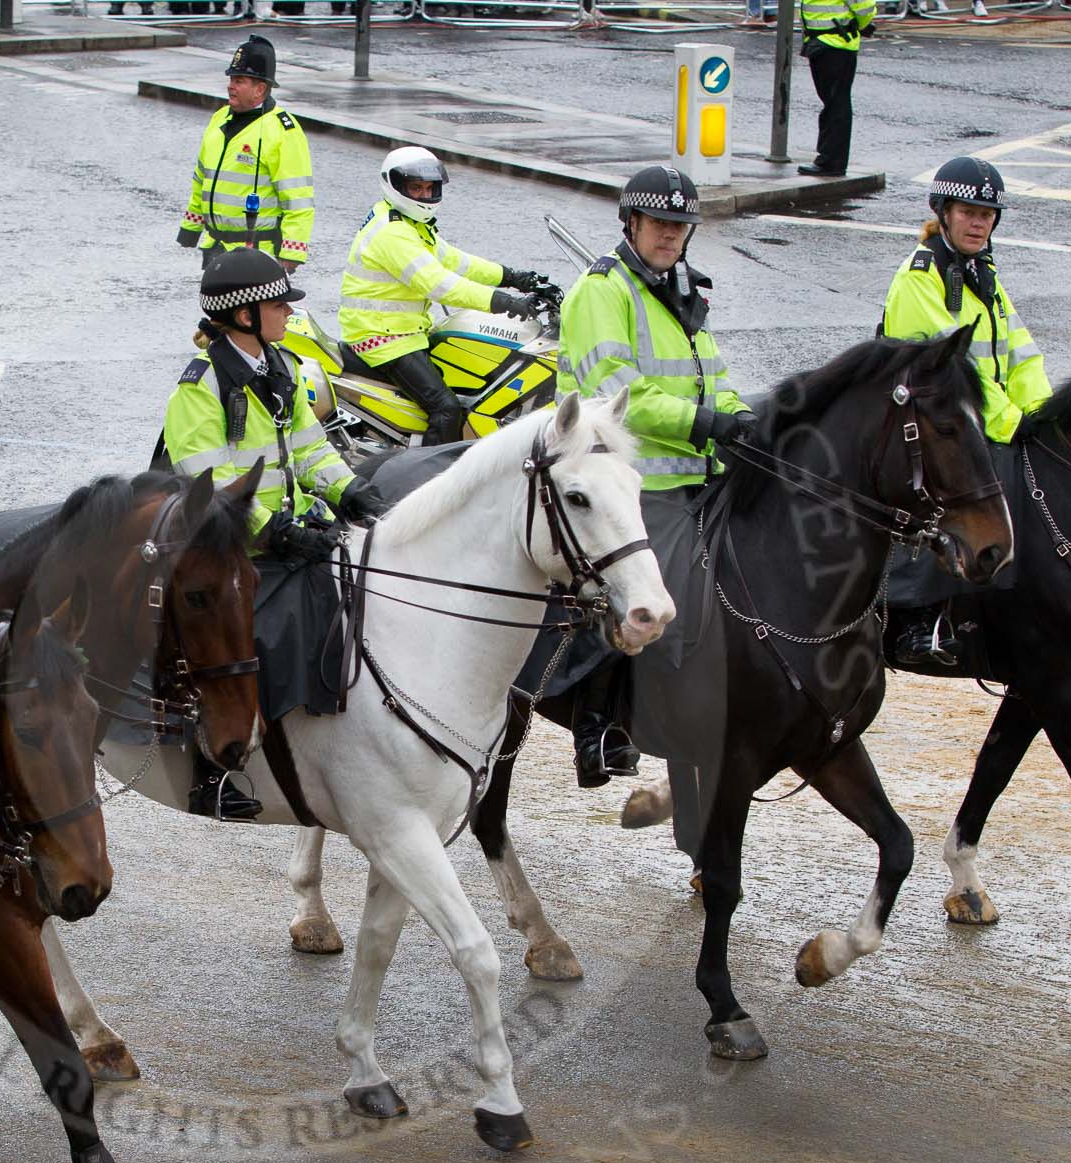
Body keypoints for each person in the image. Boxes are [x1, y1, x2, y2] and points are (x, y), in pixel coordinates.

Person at [555, 164, 753, 786]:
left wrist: (750, 421)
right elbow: (620, 399)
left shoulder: (682, 289)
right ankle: (599, 722)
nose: (671, 235)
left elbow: (712, 377)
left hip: (694, 472)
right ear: (632, 222)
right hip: (624, 475)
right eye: (660, 223)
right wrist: (706, 423)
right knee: (644, 592)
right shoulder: (600, 291)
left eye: (681, 226)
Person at [162, 248, 377, 818]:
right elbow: (209, 478)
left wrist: (347, 489)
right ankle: (208, 769)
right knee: (242, 634)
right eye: (277, 303)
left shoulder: (278, 365)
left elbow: (308, 448)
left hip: (285, 528)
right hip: (225, 541)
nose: (287, 311)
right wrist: (272, 529)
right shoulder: (199, 387)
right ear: (242, 315)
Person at [881, 155, 1049, 665]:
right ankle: (910, 616)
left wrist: (1044, 414)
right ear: (944, 211)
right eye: (969, 211)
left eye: (988, 214)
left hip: (975, 415)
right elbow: (951, 370)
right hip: (922, 413)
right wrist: (1010, 423)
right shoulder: (919, 277)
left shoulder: (984, 276)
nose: (979, 222)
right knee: (958, 481)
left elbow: (1022, 355)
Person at [338, 145, 545, 448]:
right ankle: (429, 479)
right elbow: (440, 284)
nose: (423, 195)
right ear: (394, 186)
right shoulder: (392, 233)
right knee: (446, 409)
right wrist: (502, 302)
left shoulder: (412, 225)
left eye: (428, 188)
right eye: (416, 188)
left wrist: (514, 277)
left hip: (404, 331)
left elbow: (458, 262)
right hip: (383, 339)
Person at [175, 34, 311, 270]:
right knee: (221, 308)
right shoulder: (220, 118)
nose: (230, 86)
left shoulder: (282, 130)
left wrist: (291, 253)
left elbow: (297, 200)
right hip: (216, 249)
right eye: (231, 79)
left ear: (260, 89)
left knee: (253, 309)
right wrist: (190, 228)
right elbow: (201, 180)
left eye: (239, 80)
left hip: (259, 252)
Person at [797, 0, 875, 177]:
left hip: (836, 43)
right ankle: (829, 160)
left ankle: (831, 163)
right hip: (824, 42)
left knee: (836, 105)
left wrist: (861, 24)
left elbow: (864, 6)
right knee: (833, 104)